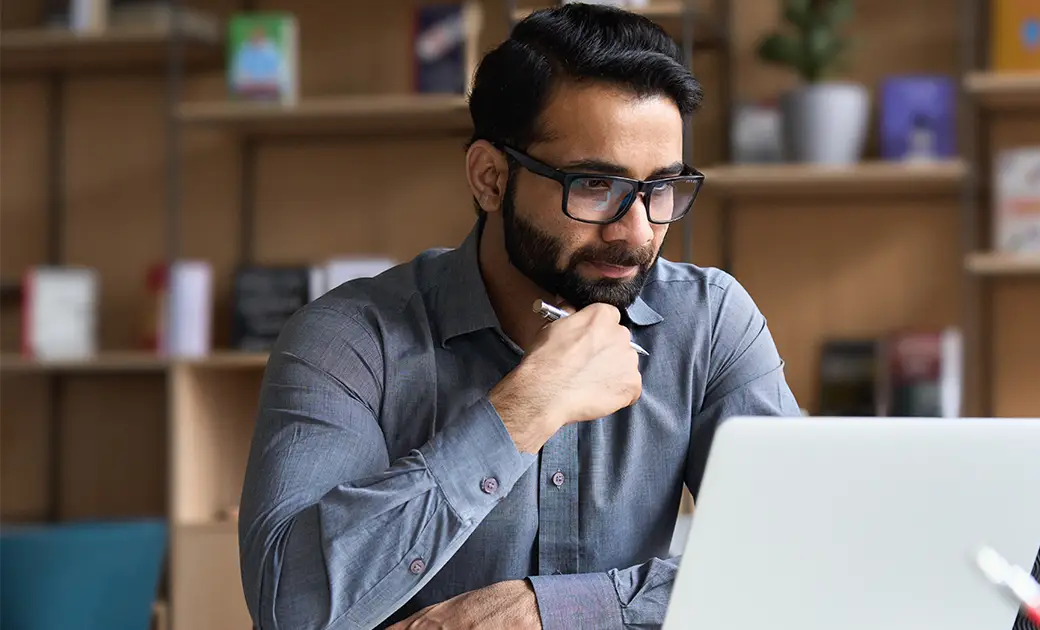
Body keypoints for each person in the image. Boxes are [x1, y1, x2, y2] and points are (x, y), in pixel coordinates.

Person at [237, 4, 802, 630]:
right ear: (489, 178)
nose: (637, 232)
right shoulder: (348, 340)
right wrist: (521, 411)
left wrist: (550, 611)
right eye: (595, 185)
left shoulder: (710, 320)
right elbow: (290, 609)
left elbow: (801, 554)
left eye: (660, 189)